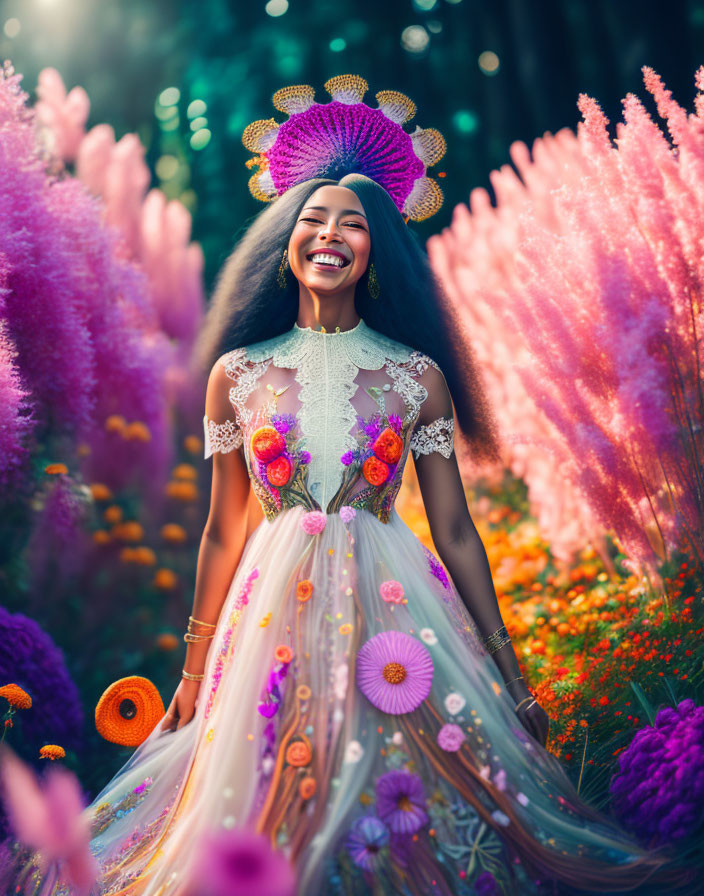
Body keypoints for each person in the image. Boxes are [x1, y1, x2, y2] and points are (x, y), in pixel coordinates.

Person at [7, 76, 695, 896]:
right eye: (313, 220)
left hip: (395, 606)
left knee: (409, 783)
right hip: (268, 612)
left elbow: (458, 530)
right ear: (285, 240)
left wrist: (510, 676)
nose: (330, 236)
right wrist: (193, 676)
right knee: (270, 776)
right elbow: (225, 528)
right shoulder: (240, 374)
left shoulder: (415, 377)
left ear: (377, 252)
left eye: (354, 225)